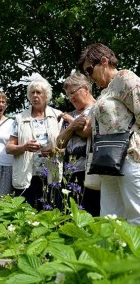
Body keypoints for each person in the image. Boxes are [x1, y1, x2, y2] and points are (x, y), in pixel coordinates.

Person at [78, 43, 140, 225]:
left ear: (104, 61)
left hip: (129, 155)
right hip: (108, 161)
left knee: (136, 213)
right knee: (109, 218)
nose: (89, 77)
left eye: (89, 70)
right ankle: (112, 253)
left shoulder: (125, 78)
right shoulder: (106, 91)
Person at [6, 77, 63, 210]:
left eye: (38, 92)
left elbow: (66, 147)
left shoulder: (57, 116)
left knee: (52, 213)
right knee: (25, 214)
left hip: (51, 173)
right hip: (26, 174)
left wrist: (55, 150)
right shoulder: (20, 118)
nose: (35, 96)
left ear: (46, 95)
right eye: (32, 93)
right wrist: (24, 147)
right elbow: (9, 148)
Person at [56, 72, 100, 216]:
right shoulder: (71, 115)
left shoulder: (98, 107)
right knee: (70, 214)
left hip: (92, 171)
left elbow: (88, 131)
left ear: (86, 89)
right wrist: (72, 125)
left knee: (92, 213)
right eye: (68, 95)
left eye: (73, 92)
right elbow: (60, 143)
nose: (71, 98)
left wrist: (70, 122)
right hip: (70, 172)